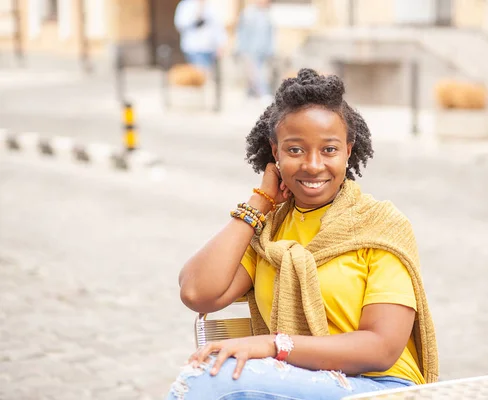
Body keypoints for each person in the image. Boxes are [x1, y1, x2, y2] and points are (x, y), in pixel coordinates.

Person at [167, 69, 438, 400]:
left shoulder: (379, 225)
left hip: (380, 387)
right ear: (275, 152)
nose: (312, 165)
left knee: (208, 381)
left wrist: (273, 344)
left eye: (328, 150)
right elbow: (198, 292)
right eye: (295, 150)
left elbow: (381, 348)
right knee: (209, 376)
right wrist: (260, 202)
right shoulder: (270, 232)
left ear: (348, 151)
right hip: (295, 380)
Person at [235, 0, 275, 102]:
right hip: (250, 50)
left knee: (258, 72)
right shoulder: (248, 14)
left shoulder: (267, 14)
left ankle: (250, 94)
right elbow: (241, 33)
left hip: (263, 50)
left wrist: (271, 50)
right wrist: (241, 49)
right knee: (256, 73)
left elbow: (270, 34)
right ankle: (263, 93)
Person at [174, 0, 227, 70]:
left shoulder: (211, 5)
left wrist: (221, 43)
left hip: (210, 47)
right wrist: (197, 14)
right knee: (200, 72)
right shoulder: (186, 5)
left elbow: (218, 26)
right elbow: (180, 24)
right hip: (194, 47)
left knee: (208, 72)